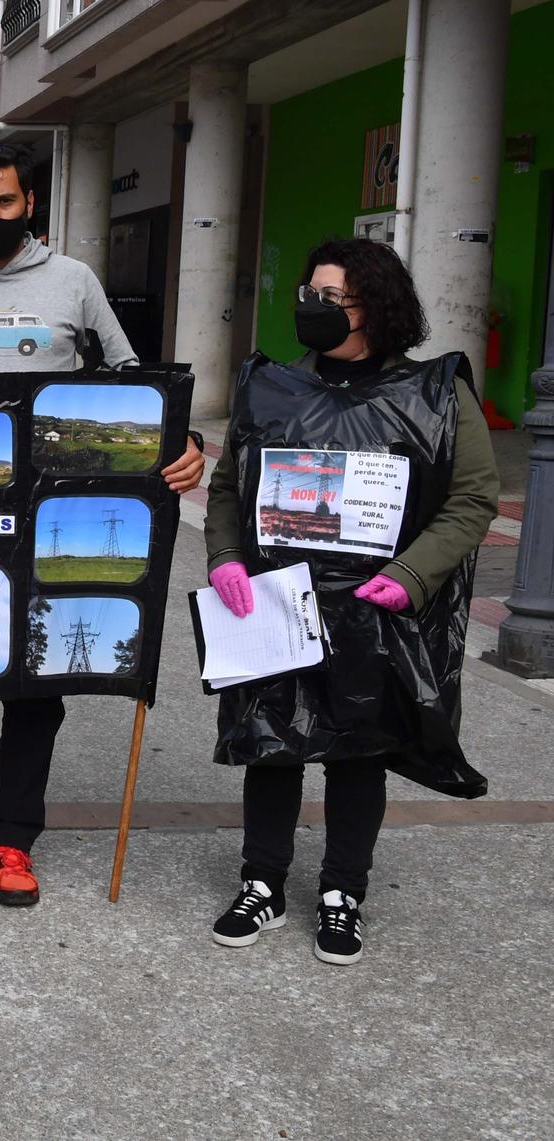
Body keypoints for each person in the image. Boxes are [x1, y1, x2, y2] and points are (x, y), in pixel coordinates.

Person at [0, 142, 205, 907]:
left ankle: (13, 840)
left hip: (48, 520)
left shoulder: (76, 282)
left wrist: (186, 441)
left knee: (35, 686)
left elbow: (131, 378)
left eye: (5, 203)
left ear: (31, 205)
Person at [203, 239, 496, 964]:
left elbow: (473, 497)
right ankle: (261, 882)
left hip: (373, 607)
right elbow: (230, 486)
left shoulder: (436, 393)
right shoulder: (269, 386)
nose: (314, 306)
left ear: (376, 306)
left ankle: (342, 893)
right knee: (271, 744)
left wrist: (412, 574)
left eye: (333, 297)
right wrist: (226, 556)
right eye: (310, 292)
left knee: (359, 750)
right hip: (277, 598)